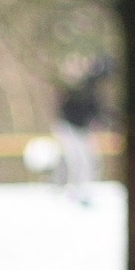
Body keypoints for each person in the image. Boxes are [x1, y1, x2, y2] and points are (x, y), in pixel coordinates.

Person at [54, 59, 109, 205]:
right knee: (78, 161)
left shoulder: (91, 88)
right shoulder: (86, 86)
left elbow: (95, 111)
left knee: (88, 160)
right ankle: (73, 192)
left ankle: (82, 192)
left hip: (79, 129)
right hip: (69, 127)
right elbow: (73, 109)